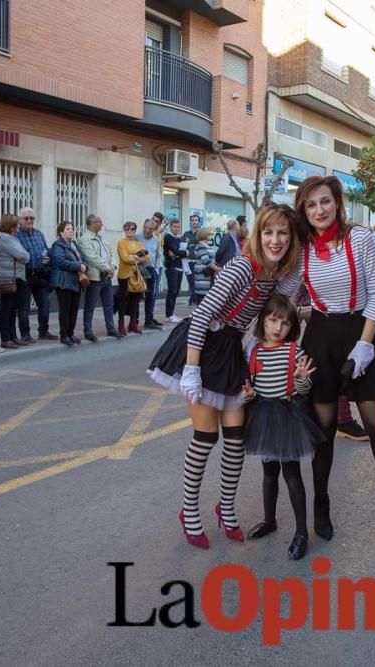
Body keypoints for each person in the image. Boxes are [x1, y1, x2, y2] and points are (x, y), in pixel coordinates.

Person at [147, 204, 300, 549]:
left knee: (236, 438)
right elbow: (201, 317)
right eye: (268, 232)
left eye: (283, 234)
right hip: (201, 348)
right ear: (257, 235)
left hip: (230, 350)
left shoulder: (274, 275)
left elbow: (290, 292)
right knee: (205, 438)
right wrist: (190, 371)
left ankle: (226, 508)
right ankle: (188, 511)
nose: (275, 240)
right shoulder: (241, 267)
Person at [292, 175, 375, 539]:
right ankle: (321, 504)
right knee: (323, 433)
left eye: (324, 202)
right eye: (310, 205)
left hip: (361, 332)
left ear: (337, 203)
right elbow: (288, 294)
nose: (318, 210)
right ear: (303, 211)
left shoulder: (361, 238)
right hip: (321, 338)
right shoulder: (302, 246)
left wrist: (365, 346)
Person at [242, 294, 322, 560]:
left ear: (292, 328)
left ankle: (301, 532)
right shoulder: (253, 351)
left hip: (288, 417)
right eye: (272, 321)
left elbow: (304, 389)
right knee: (268, 474)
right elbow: (251, 387)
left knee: (292, 475)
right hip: (262, 416)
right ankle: (269, 519)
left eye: (284, 324)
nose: (277, 328)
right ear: (263, 322)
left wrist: (301, 379)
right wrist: (249, 395)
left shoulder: (294, 352)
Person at [77, 214, 121, 341]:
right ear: (92, 223)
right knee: (90, 305)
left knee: (109, 304)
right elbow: (92, 258)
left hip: (106, 276)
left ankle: (111, 328)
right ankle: (88, 330)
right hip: (94, 277)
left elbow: (111, 252)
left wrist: (112, 266)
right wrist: (107, 268)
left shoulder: (101, 238)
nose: (102, 224)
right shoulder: (84, 239)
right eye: (99, 222)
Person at [16, 207, 56, 342]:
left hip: (40, 274)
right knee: (24, 307)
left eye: (32, 218)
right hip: (25, 275)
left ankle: (43, 331)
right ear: (20, 219)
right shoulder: (16, 235)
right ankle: (25, 334)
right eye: (26, 218)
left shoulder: (39, 234)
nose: (29, 221)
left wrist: (47, 259)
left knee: (45, 304)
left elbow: (45, 249)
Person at [0, 214, 30, 349]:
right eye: (17, 224)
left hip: (17, 276)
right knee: (6, 309)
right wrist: (25, 255)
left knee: (13, 309)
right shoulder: (5, 238)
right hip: (8, 277)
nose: (18, 227)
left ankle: (13, 336)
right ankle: (6, 338)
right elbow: (23, 255)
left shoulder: (13, 238)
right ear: (11, 225)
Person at [49, 221, 87, 346]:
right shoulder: (58, 246)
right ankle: (64, 335)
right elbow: (60, 262)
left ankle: (71, 333)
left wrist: (84, 266)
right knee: (65, 310)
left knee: (74, 310)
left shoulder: (74, 244)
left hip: (76, 281)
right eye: (67, 229)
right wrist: (78, 266)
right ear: (61, 232)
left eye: (72, 228)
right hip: (64, 281)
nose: (71, 231)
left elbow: (83, 259)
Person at [117, 221, 149, 335]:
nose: (129, 232)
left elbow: (146, 258)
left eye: (132, 229)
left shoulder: (138, 243)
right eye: (127, 229)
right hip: (124, 275)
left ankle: (133, 324)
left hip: (136, 274)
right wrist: (137, 256)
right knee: (123, 300)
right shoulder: (121, 243)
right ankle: (121, 324)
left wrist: (136, 258)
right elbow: (125, 258)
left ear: (135, 231)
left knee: (135, 300)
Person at [163, 218, 188, 323]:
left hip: (180, 267)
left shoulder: (179, 239)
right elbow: (175, 252)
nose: (177, 229)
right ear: (170, 227)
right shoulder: (168, 237)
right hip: (171, 267)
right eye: (175, 226)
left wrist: (180, 253)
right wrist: (182, 253)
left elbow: (180, 252)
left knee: (176, 291)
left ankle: (172, 314)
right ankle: (169, 315)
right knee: (172, 291)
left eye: (178, 227)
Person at [141, 219, 163, 329]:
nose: (147, 230)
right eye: (146, 228)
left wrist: (157, 268)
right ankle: (133, 321)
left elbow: (158, 255)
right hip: (140, 270)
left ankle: (149, 320)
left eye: (150, 229)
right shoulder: (137, 237)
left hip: (151, 270)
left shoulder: (156, 240)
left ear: (154, 230)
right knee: (136, 296)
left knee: (151, 296)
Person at [192, 228, 219, 305]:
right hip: (202, 276)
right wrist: (217, 269)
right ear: (204, 235)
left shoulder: (207, 245)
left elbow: (212, 260)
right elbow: (206, 260)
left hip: (209, 275)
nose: (210, 236)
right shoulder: (200, 246)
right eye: (209, 234)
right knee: (202, 299)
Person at [182, 215, 201, 306]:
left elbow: (200, 244)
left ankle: (194, 299)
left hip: (198, 261)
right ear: (190, 222)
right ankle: (193, 298)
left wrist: (191, 244)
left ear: (199, 221)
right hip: (188, 261)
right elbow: (183, 246)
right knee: (190, 281)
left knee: (195, 281)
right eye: (192, 220)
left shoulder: (201, 233)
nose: (194, 222)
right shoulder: (186, 234)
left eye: (196, 220)